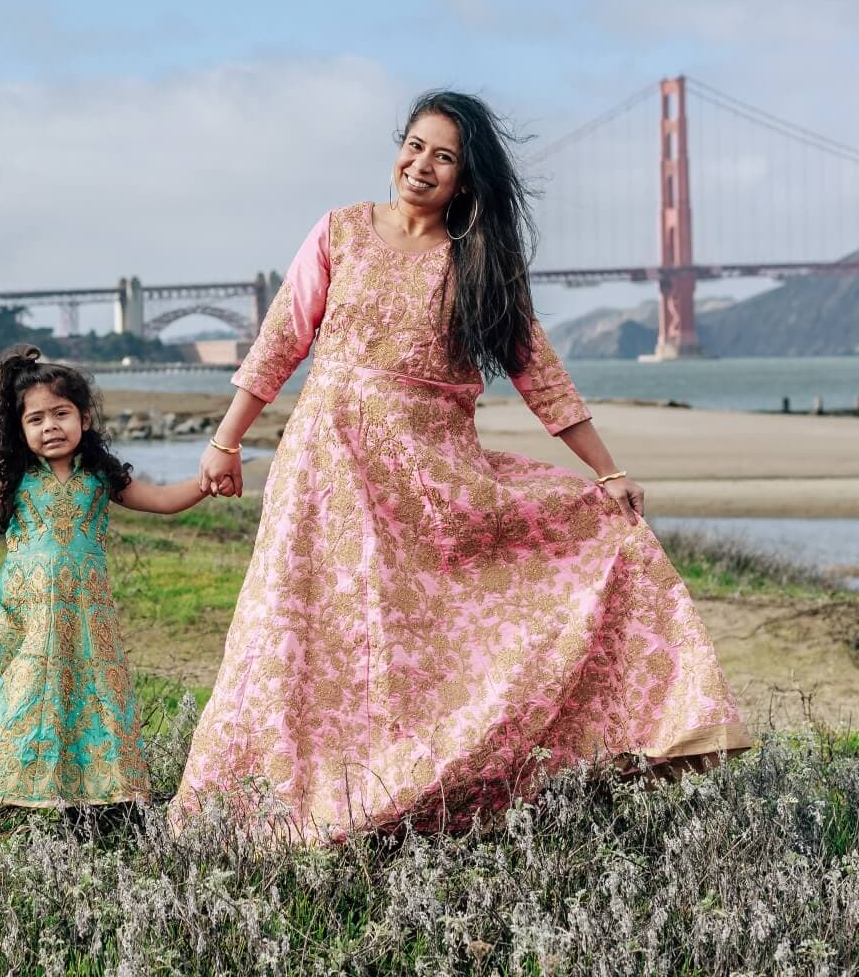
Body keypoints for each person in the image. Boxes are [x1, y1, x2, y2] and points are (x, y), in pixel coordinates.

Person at [169, 90, 751, 841]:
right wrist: (226, 439)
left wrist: (607, 473)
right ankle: (262, 805)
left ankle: (409, 791)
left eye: (443, 157)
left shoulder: (477, 261)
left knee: (421, 640)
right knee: (301, 628)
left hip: (429, 478)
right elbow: (281, 341)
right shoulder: (341, 231)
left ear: (466, 179)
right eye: (414, 145)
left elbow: (539, 374)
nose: (421, 165)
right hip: (326, 469)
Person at [0, 345, 210, 831]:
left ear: (84, 418)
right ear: (20, 430)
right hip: (25, 621)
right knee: (11, 703)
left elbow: (163, 500)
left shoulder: (101, 476)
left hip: (88, 625)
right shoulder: (15, 480)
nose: (50, 427)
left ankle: (110, 808)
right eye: (36, 419)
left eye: (61, 414)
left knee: (93, 704)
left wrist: (207, 480)